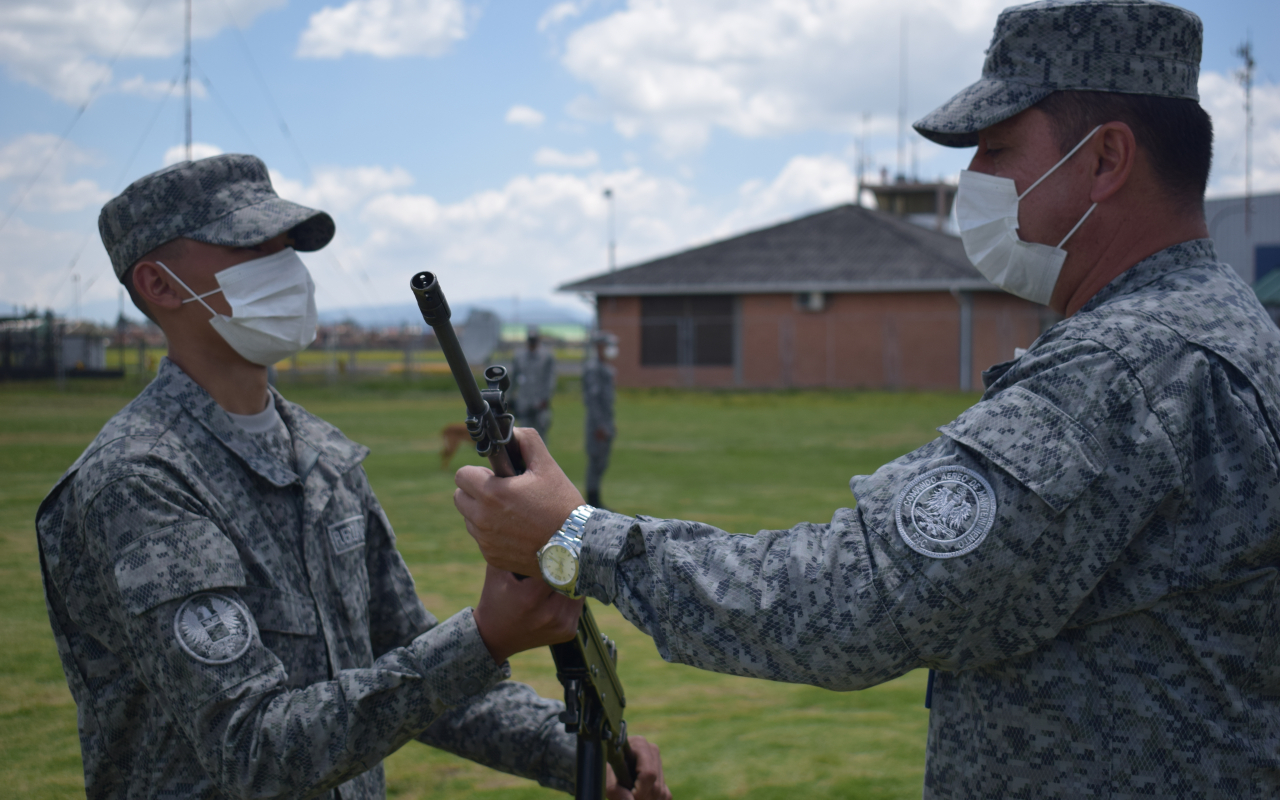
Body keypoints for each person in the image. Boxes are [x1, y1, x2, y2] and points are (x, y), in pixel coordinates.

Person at [453, 1, 1280, 797]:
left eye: (995, 147)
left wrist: (579, 539)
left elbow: (860, 601)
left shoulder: (1122, 370)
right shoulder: (1234, 332)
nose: (973, 178)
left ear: (1104, 160)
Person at [35, 154, 668, 800]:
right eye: (250, 245)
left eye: (287, 244)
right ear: (159, 285)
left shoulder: (322, 459)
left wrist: (577, 751)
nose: (284, 264)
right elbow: (252, 748)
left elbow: (407, 669)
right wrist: (482, 639)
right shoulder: (139, 481)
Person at [581, 331, 618, 508]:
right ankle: (593, 501)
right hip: (597, 426)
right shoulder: (593, 369)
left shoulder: (605, 369)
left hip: (606, 422)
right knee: (595, 463)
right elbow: (593, 400)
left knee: (602, 463)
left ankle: (596, 500)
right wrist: (601, 426)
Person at [510, 325, 557, 440]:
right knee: (524, 437)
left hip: (540, 403)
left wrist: (545, 398)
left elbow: (550, 380)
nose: (532, 344)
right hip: (524, 403)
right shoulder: (519, 357)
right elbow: (513, 379)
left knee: (540, 437)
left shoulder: (546, 357)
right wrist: (509, 397)